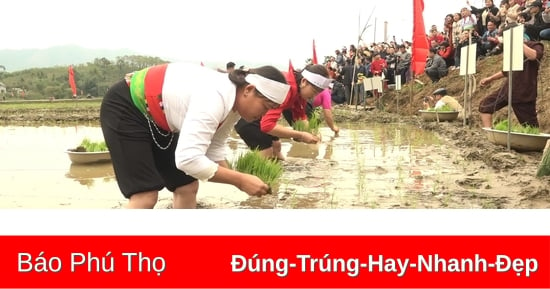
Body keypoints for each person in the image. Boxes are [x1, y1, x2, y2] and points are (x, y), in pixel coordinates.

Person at [100, 63, 290, 209]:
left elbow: (214, 147)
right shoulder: (215, 96)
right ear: (248, 90)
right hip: (127, 108)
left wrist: (240, 177)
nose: (264, 115)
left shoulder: (234, 106)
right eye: (265, 107)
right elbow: (188, 159)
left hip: (159, 118)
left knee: (187, 186)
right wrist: (239, 180)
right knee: (146, 195)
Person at [234, 64, 331, 160]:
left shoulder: (299, 92)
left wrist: (312, 132)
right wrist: (301, 135)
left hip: (260, 115)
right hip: (247, 113)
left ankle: (283, 172)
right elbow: (267, 126)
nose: (314, 97)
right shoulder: (285, 89)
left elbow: (300, 117)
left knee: (277, 146)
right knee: (266, 152)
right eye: (314, 92)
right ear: (304, 81)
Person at [478, 39, 544, 128]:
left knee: (531, 126)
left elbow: (533, 56)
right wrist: (490, 79)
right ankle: (490, 135)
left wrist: (518, 42)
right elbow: (507, 70)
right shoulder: (512, 49)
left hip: (524, 92)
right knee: (485, 105)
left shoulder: (535, 45)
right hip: (508, 89)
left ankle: (533, 141)